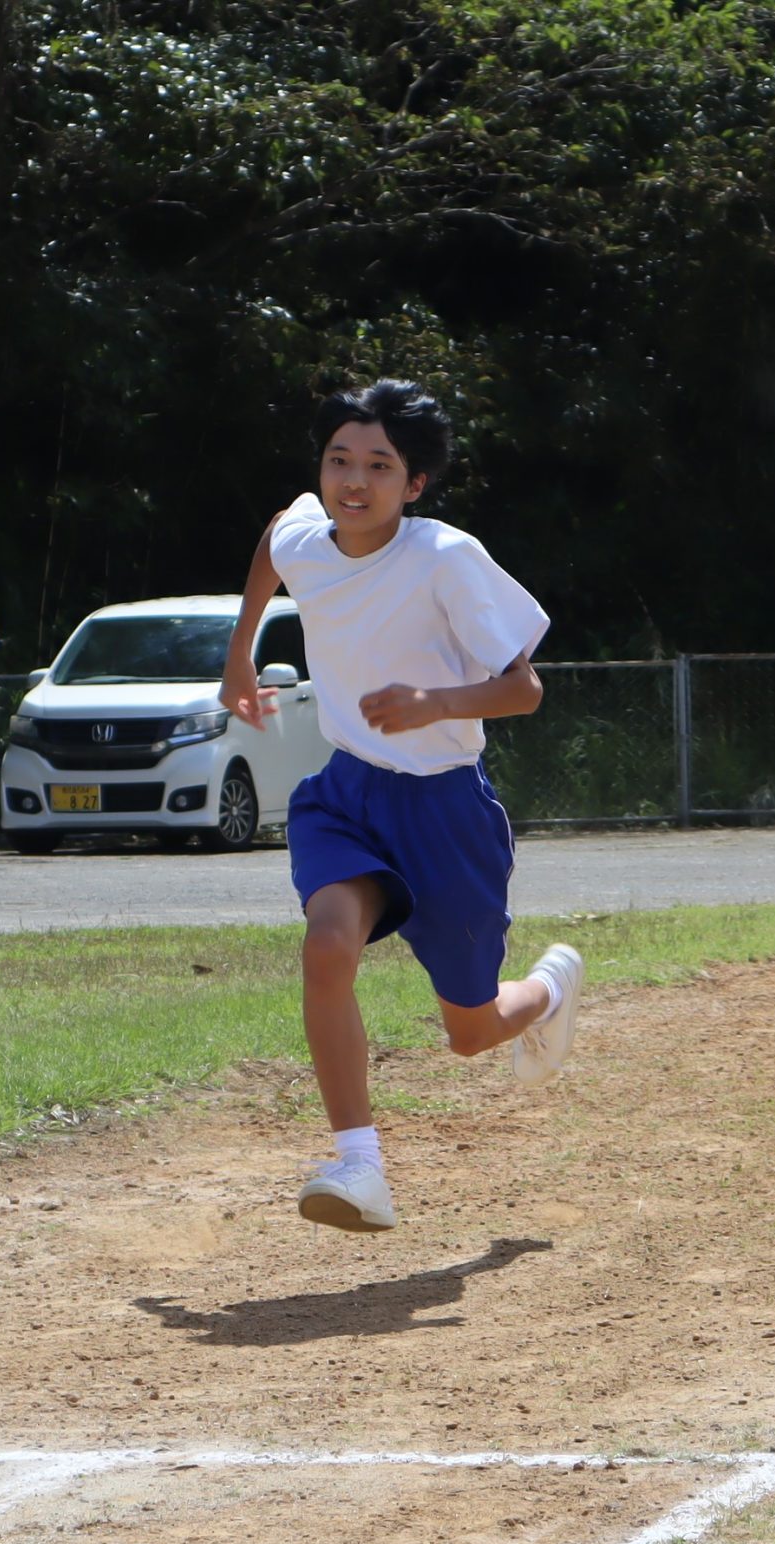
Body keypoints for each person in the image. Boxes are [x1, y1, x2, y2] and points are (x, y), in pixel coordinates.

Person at [218, 380, 578, 1233]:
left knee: (471, 1030)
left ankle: (550, 989)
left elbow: (523, 690)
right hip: (347, 793)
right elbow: (277, 537)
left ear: (413, 484)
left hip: (446, 810)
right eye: (339, 459)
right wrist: (240, 652)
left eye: (379, 465)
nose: (353, 480)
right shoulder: (311, 535)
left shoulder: (445, 557)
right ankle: (358, 1163)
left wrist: (434, 701)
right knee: (327, 945)